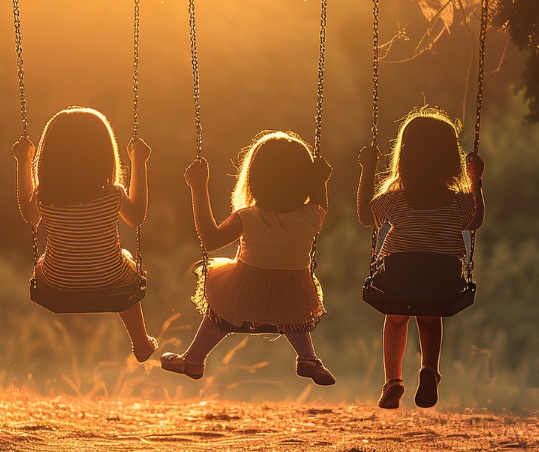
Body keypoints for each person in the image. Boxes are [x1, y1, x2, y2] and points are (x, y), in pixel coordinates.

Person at [159, 131, 336, 385]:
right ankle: (308, 357)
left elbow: (210, 240)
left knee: (221, 309)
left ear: (254, 178)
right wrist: (320, 180)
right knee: (294, 311)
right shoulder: (312, 215)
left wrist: (198, 188)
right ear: (306, 180)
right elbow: (320, 200)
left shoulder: (248, 216)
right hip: (292, 293)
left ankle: (194, 359)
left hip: (245, 292)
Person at [357, 107, 486, 409]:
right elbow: (476, 220)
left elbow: (365, 216)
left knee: (396, 317)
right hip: (442, 280)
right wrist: (476, 181)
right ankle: (429, 369)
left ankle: (393, 381)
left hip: (399, 277)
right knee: (430, 316)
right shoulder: (458, 203)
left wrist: (366, 170)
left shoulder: (396, 200)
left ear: (404, 158)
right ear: (451, 160)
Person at [13, 108, 155, 360]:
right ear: (103, 154)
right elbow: (136, 218)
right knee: (128, 267)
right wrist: (138, 163)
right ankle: (140, 340)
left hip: (59, 281)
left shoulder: (45, 198)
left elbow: (29, 215)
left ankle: (140, 340)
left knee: (41, 265)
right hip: (111, 279)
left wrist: (23, 161)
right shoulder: (113, 195)